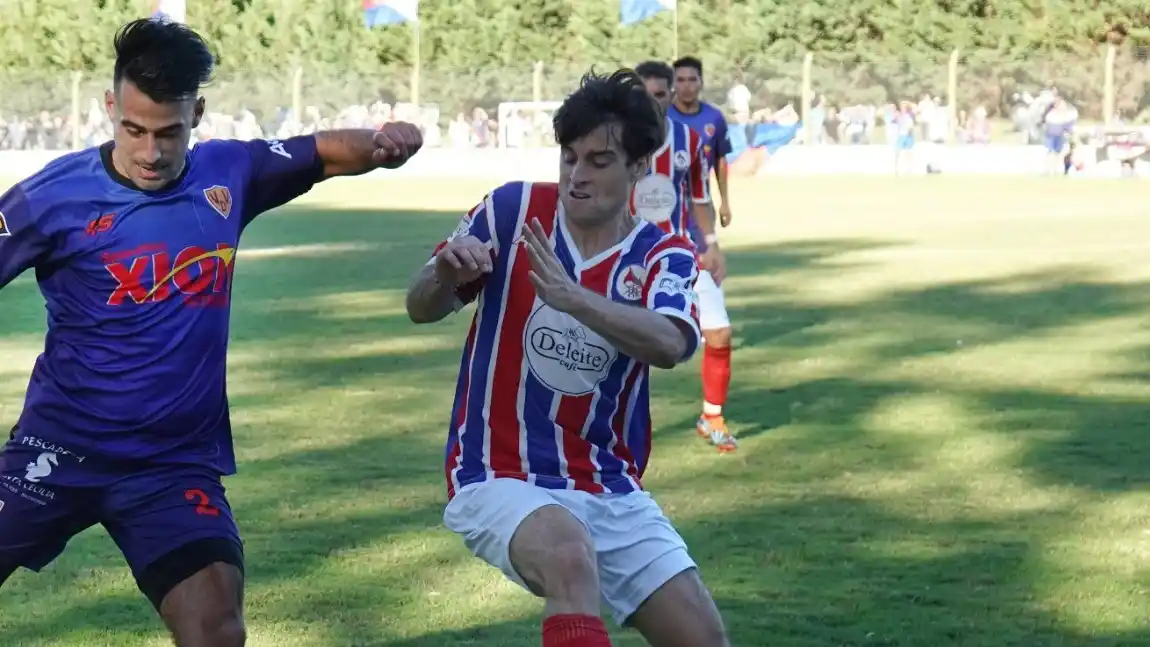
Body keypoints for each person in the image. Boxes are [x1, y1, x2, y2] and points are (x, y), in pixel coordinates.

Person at [0, 18, 421, 647]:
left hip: (171, 466)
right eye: (134, 130)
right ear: (110, 107)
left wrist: (383, 143)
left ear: (196, 113)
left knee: (216, 630)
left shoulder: (229, 174)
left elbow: (320, 151)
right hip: (57, 450)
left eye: (169, 133)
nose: (150, 152)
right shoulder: (49, 198)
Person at [405, 69, 729, 647]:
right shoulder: (512, 210)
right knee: (569, 557)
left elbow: (672, 342)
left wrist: (575, 298)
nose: (578, 176)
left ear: (637, 167)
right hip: (495, 471)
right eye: (569, 157)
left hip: (608, 483)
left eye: (599, 161)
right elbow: (421, 307)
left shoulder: (665, 253)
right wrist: (442, 274)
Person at [634, 60, 737, 452]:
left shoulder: (689, 141)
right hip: (628, 255)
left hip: (681, 252)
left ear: (670, 95)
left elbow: (698, 197)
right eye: (644, 94)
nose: (653, 101)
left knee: (720, 332)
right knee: (617, 345)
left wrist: (711, 243)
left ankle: (712, 416)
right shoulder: (616, 138)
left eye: (660, 94)